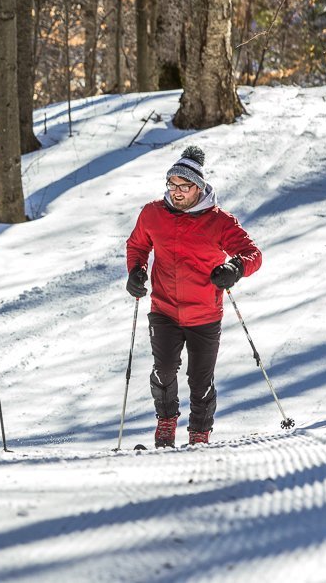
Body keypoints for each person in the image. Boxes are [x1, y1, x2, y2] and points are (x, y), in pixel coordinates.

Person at [125, 145, 261, 447]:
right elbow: (137, 246)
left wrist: (235, 268)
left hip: (204, 314)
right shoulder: (153, 213)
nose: (176, 192)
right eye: (171, 185)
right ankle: (166, 421)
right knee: (163, 371)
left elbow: (253, 254)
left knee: (200, 380)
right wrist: (135, 271)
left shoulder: (219, 221)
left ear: (198, 188)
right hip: (164, 309)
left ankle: (199, 432)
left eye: (183, 186)